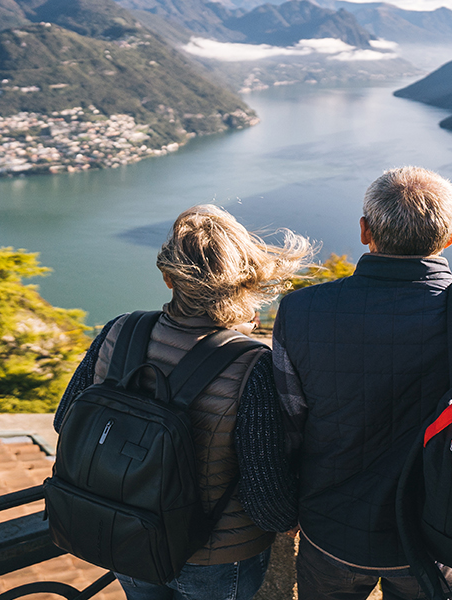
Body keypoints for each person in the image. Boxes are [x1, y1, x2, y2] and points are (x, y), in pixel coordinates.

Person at [272, 167, 452, 600]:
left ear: (365, 231)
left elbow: (289, 424)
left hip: (333, 530)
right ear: (451, 234)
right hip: (442, 536)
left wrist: (284, 506)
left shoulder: (302, 310)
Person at [55, 205, 310, 600]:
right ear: (244, 278)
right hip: (216, 555)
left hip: (127, 532)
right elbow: (264, 497)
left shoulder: (119, 330)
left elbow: (66, 422)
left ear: (168, 277)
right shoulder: (253, 365)